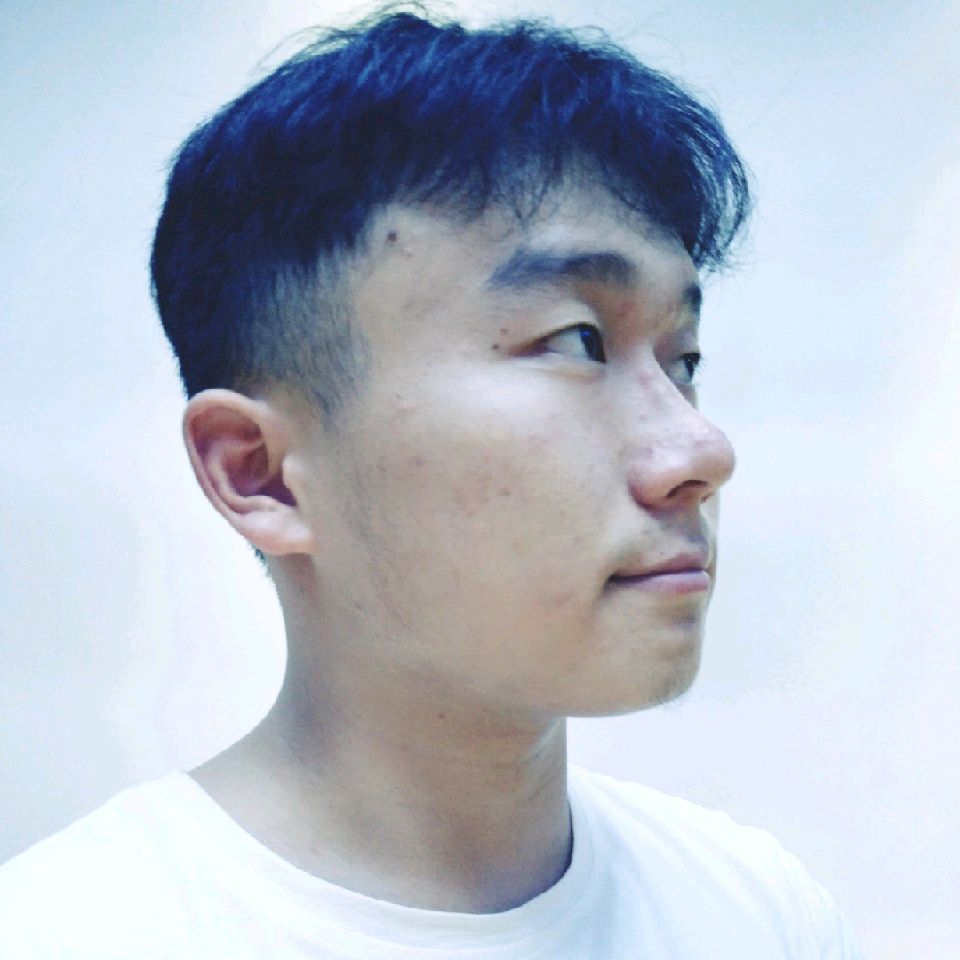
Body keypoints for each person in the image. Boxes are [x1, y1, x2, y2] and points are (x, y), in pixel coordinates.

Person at [0, 7, 863, 957]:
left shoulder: (755, 914)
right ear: (262, 475)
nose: (701, 450)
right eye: (577, 341)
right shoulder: (67, 933)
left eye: (682, 359)